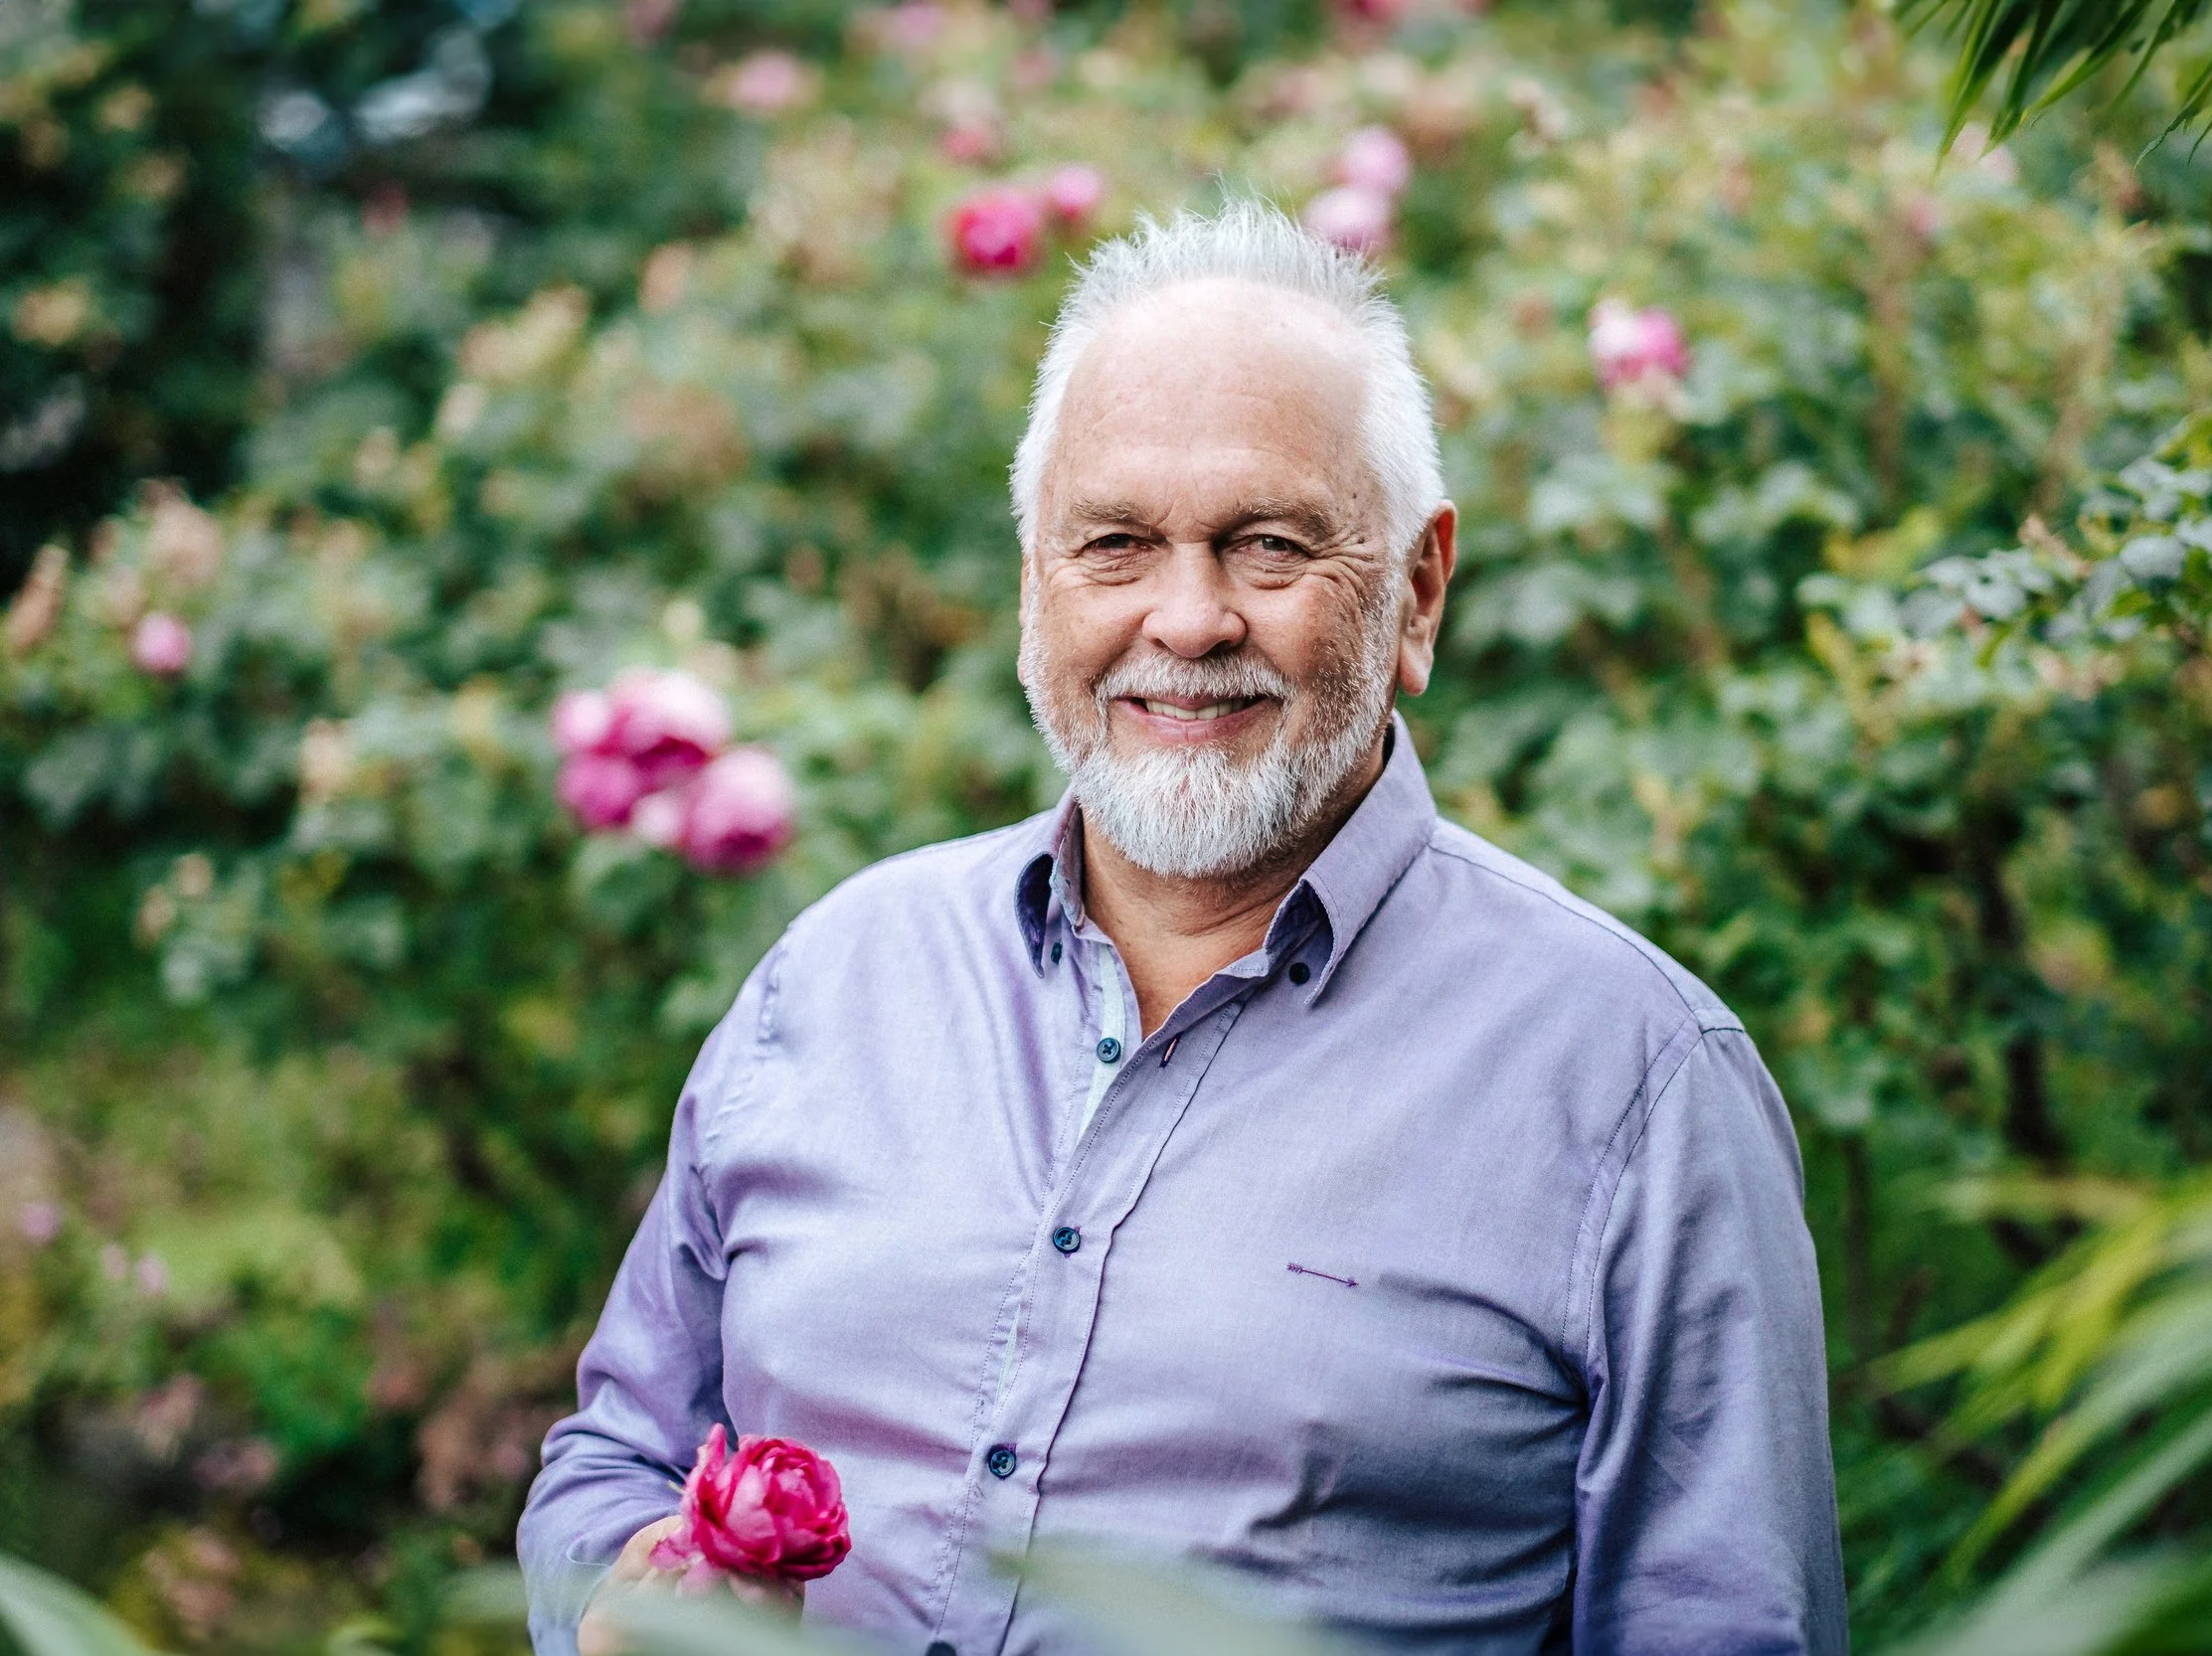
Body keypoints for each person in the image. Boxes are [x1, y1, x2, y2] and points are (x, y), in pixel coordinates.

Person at [518, 201, 1846, 1655]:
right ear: (1035, 579)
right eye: (1117, 543)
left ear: (1417, 589)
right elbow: (617, 1459)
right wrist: (631, 1595)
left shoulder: (1637, 1086)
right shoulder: (834, 978)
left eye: (1269, 546)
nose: (1189, 616)